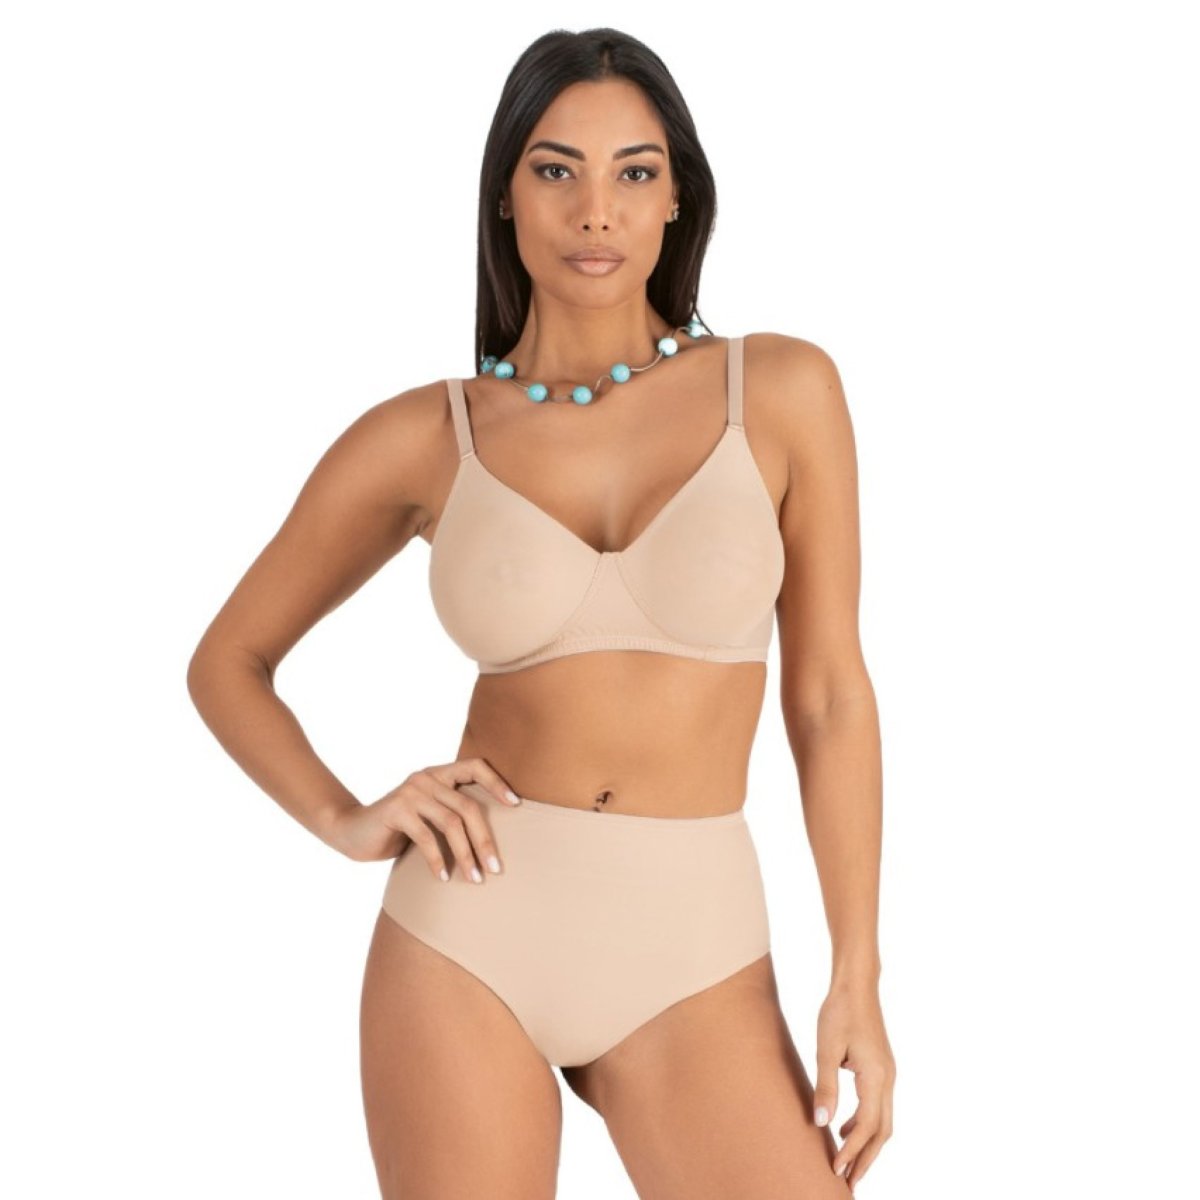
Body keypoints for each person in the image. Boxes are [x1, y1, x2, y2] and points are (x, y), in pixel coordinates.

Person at [186, 26, 895, 1200]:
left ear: (678, 198)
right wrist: (346, 817)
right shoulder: (430, 435)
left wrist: (856, 973)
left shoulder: (779, 390)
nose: (595, 210)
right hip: (469, 934)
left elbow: (828, 697)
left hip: (696, 947)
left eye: (634, 172)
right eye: (556, 169)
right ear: (506, 195)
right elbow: (229, 660)